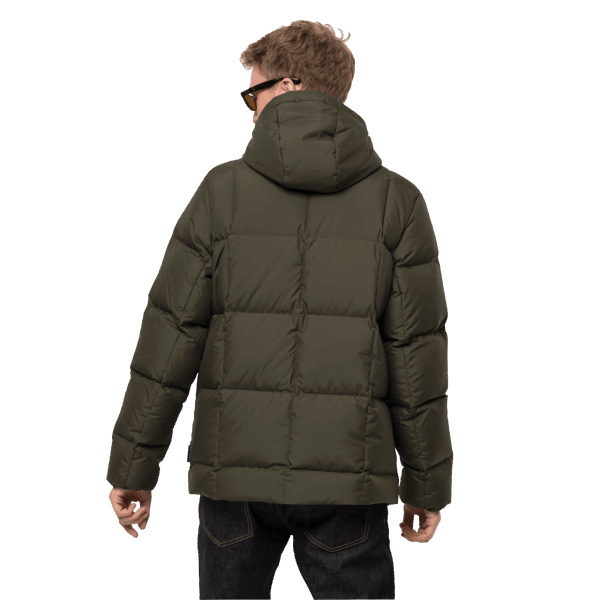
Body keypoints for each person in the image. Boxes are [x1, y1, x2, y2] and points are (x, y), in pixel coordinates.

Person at [107, 19, 451, 599]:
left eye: (253, 93)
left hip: (234, 475)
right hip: (348, 480)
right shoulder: (398, 201)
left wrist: (133, 469)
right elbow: (418, 359)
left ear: (289, 87)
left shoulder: (220, 193)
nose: (249, 110)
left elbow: (170, 340)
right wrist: (427, 484)